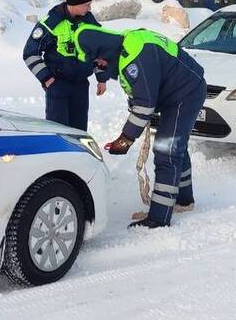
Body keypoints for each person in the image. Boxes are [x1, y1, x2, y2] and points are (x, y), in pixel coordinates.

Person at [74, 25, 207, 229]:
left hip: (185, 94)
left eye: (97, 61)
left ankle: (159, 218)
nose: (98, 65)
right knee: (175, 146)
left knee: (166, 150)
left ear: (102, 52)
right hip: (178, 91)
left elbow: (145, 104)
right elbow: (142, 92)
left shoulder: (136, 55)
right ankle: (184, 200)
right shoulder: (125, 46)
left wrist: (125, 139)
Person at [21, 0, 107, 131]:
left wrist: (101, 79)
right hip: (58, 85)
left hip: (80, 86)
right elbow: (30, 53)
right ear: (75, 4)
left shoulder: (89, 22)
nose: (90, 8)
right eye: (87, 4)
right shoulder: (52, 22)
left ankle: (78, 155)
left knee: (79, 134)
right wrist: (47, 79)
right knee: (58, 132)